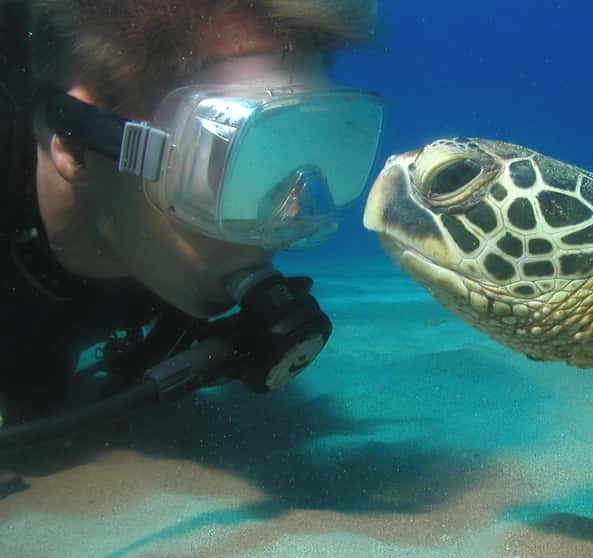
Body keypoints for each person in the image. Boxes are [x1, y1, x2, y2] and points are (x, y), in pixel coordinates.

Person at [0, 0, 383, 440]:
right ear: (74, 144)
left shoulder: (162, 257)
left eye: (309, 150)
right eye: (229, 159)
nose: (288, 220)